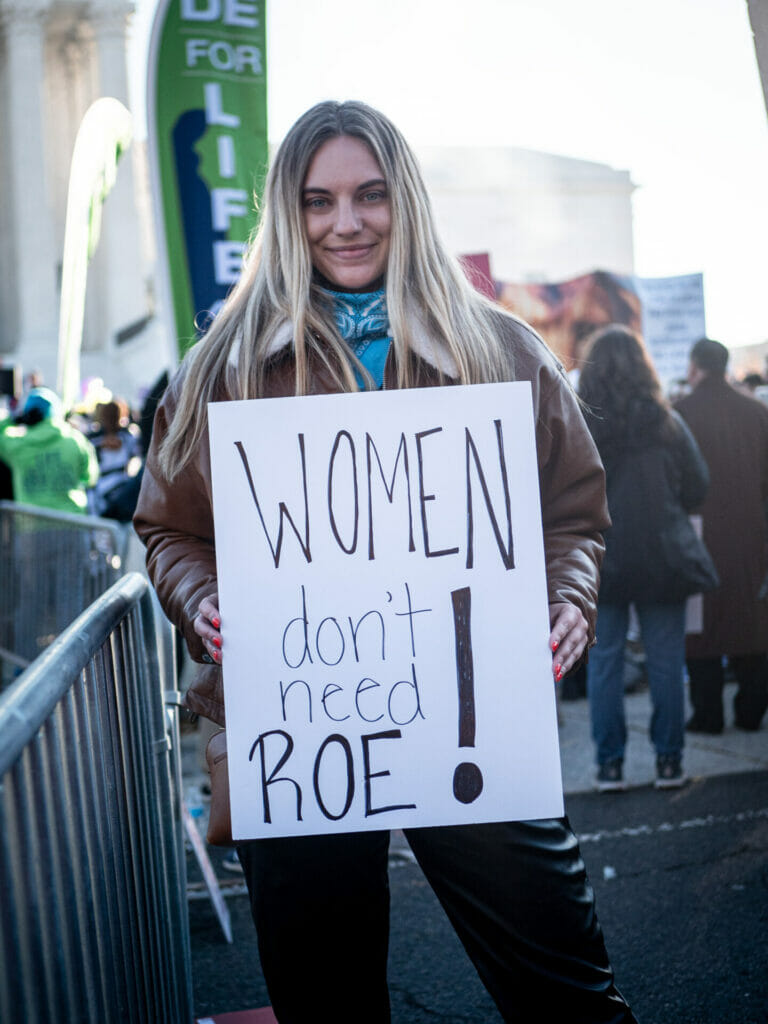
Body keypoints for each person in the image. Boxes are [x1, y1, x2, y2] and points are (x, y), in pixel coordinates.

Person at [135, 100, 636, 1023]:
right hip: (297, 718)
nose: (346, 223)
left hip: (475, 717)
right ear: (287, 214)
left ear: (405, 202)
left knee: (566, 992)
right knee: (327, 1003)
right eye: (318, 201)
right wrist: (202, 598)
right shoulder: (224, 365)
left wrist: (568, 595)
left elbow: (571, 511)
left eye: (370, 196)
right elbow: (169, 526)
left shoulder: (502, 348)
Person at [578, 326, 715, 791]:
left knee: (606, 661)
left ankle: (610, 765)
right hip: (663, 556)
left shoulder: (582, 425)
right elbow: (698, 485)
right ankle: (670, 763)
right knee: (665, 660)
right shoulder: (667, 421)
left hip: (602, 558)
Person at [675, 338, 768, 734]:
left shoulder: (679, 413)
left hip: (697, 534)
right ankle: (751, 710)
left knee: (701, 629)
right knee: (752, 622)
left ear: (695, 366)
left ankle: (707, 714)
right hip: (751, 534)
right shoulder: (757, 412)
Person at [0, 386, 98, 513]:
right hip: (71, 523)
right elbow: (90, 478)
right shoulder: (76, 441)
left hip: (31, 524)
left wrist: (11, 419)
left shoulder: (18, 445)